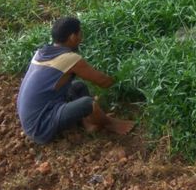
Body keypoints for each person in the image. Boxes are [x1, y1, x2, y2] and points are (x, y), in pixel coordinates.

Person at [17, 17, 134, 145]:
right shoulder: (69, 59)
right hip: (41, 127)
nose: (81, 36)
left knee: (78, 86)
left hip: (32, 119)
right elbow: (104, 82)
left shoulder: (40, 53)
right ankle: (110, 123)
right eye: (80, 33)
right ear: (73, 36)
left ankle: (88, 123)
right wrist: (124, 77)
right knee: (88, 103)